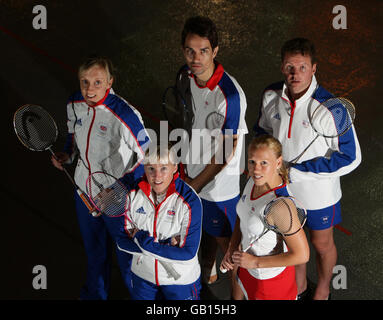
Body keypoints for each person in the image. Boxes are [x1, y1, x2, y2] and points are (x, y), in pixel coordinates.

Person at [254, 38, 361, 300]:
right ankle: (299, 287)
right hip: (283, 189)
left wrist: (300, 171)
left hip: (319, 195)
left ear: (314, 68)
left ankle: (323, 289)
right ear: (282, 67)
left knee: (320, 244)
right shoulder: (271, 95)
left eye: (302, 67)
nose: (295, 74)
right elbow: (262, 131)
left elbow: (351, 157)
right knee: (292, 241)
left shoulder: (331, 109)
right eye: (290, 66)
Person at [51, 56, 150, 300]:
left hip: (118, 201)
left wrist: (118, 189)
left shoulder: (125, 114)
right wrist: (68, 155)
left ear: (109, 82)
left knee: (128, 258)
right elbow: (73, 134)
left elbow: (148, 158)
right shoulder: (75, 102)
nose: (89, 89)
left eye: (97, 82)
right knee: (95, 254)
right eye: (85, 82)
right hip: (84, 193)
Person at [175, 16, 248, 292]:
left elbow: (225, 153)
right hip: (192, 170)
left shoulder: (229, 96)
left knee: (231, 250)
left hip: (218, 186)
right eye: (190, 50)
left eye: (203, 51)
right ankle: (208, 270)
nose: (196, 58)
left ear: (215, 51)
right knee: (203, 226)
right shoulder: (186, 75)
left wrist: (194, 185)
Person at [103, 144, 203, 300]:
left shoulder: (190, 201)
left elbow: (187, 254)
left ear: (175, 167)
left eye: (164, 168)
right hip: (143, 276)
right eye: (151, 169)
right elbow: (121, 242)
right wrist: (166, 244)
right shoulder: (131, 194)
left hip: (180, 281)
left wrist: (141, 239)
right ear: (144, 168)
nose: (157, 176)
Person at [220, 135, 310, 300]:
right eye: (252, 162)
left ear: (278, 162)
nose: (255, 169)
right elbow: (243, 215)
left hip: (270, 282)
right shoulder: (253, 182)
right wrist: (232, 247)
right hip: (248, 267)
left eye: (264, 163)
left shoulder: (280, 207)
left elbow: (302, 255)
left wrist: (255, 262)